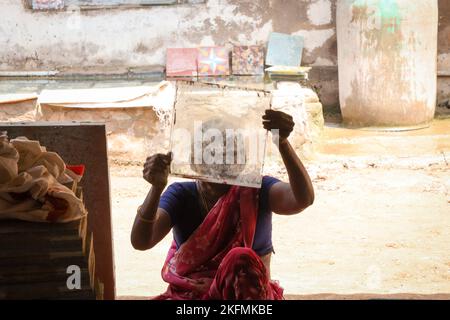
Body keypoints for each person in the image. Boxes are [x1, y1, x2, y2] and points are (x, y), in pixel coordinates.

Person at [131, 109, 315, 300]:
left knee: (240, 258)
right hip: (191, 297)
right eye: (210, 152)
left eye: (228, 152)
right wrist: (155, 189)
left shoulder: (255, 191)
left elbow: (302, 199)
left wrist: (282, 142)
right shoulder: (181, 195)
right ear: (194, 161)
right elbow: (141, 241)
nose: (218, 159)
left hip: (246, 299)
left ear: (241, 161)